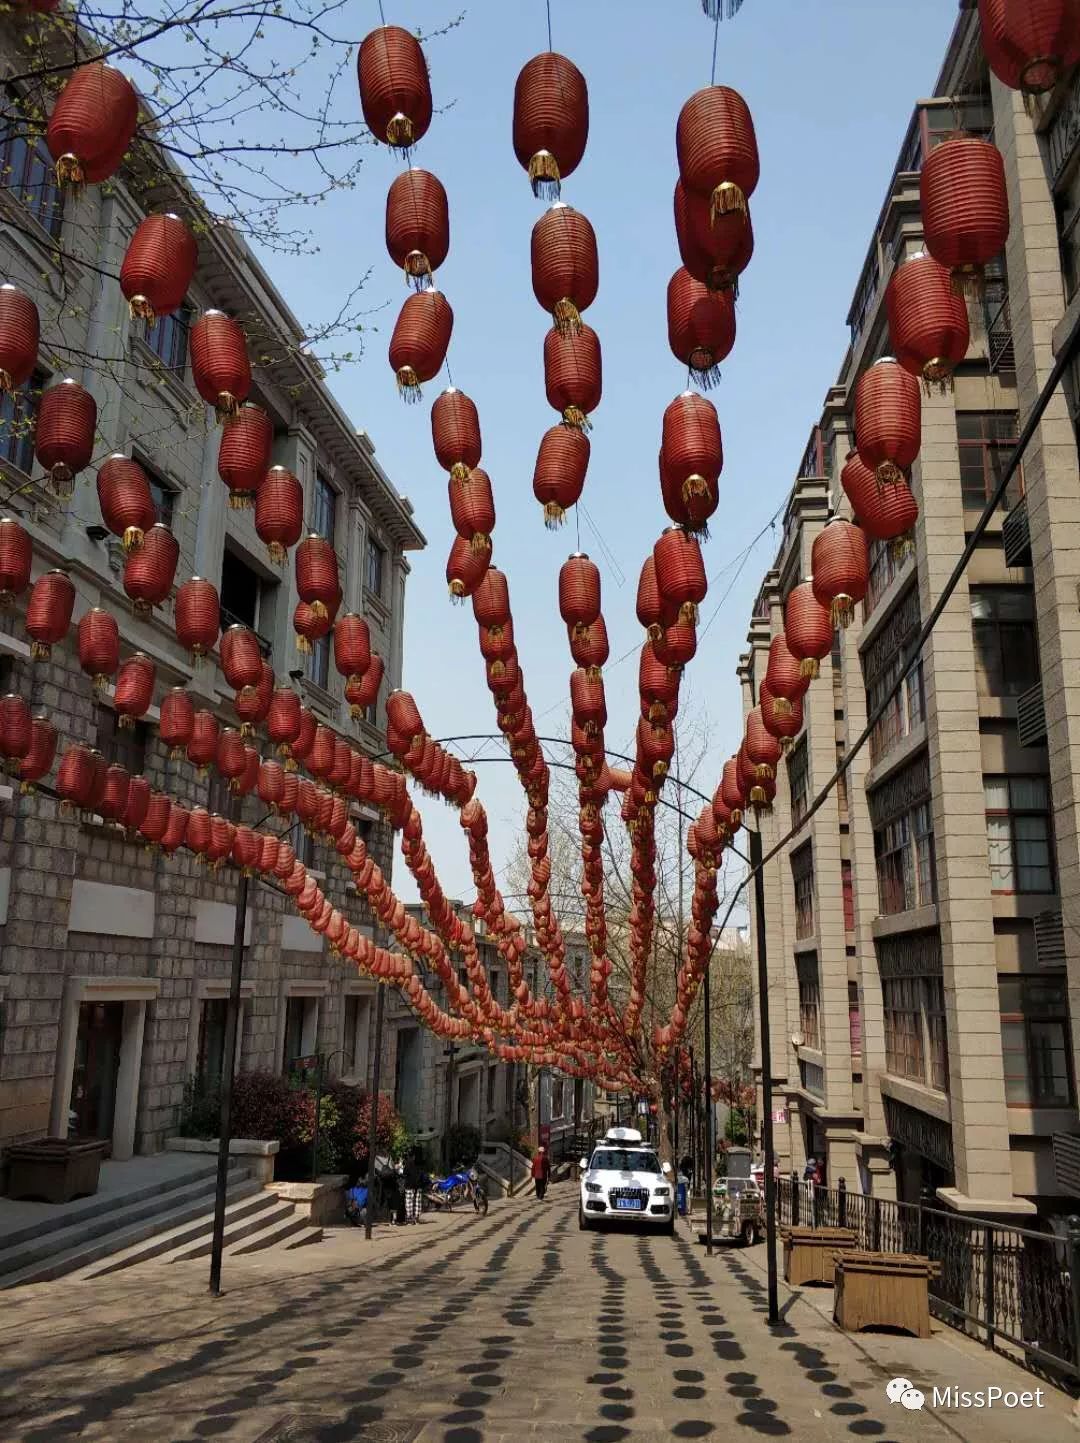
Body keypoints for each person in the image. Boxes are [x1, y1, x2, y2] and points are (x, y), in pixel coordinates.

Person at [402, 1145, 424, 1225]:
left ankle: (410, 1219)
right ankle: (416, 1218)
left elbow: (404, 1174)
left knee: (409, 1202)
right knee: (417, 1202)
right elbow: (422, 1174)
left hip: (409, 1185)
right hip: (418, 1185)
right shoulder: (420, 1164)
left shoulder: (407, 1163)